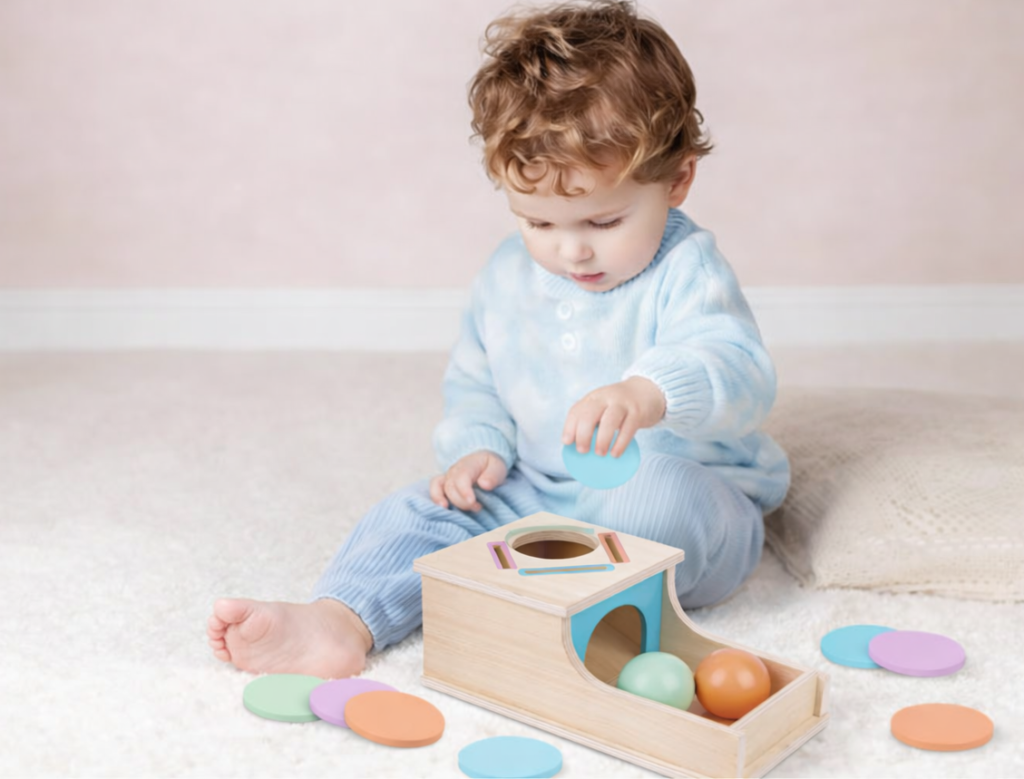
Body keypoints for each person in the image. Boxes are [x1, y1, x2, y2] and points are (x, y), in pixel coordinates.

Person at [207, 0, 789, 679]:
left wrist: (649, 391)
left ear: (677, 179)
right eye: (539, 223)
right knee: (420, 512)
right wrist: (478, 446)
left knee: (645, 499)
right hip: (538, 492)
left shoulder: (687, 269)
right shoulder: (507, 277)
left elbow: (740, 371)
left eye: (604, 220)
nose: (571, 249)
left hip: (685, 492)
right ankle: (342, 619)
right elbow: (477, 381)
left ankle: (571, 612)